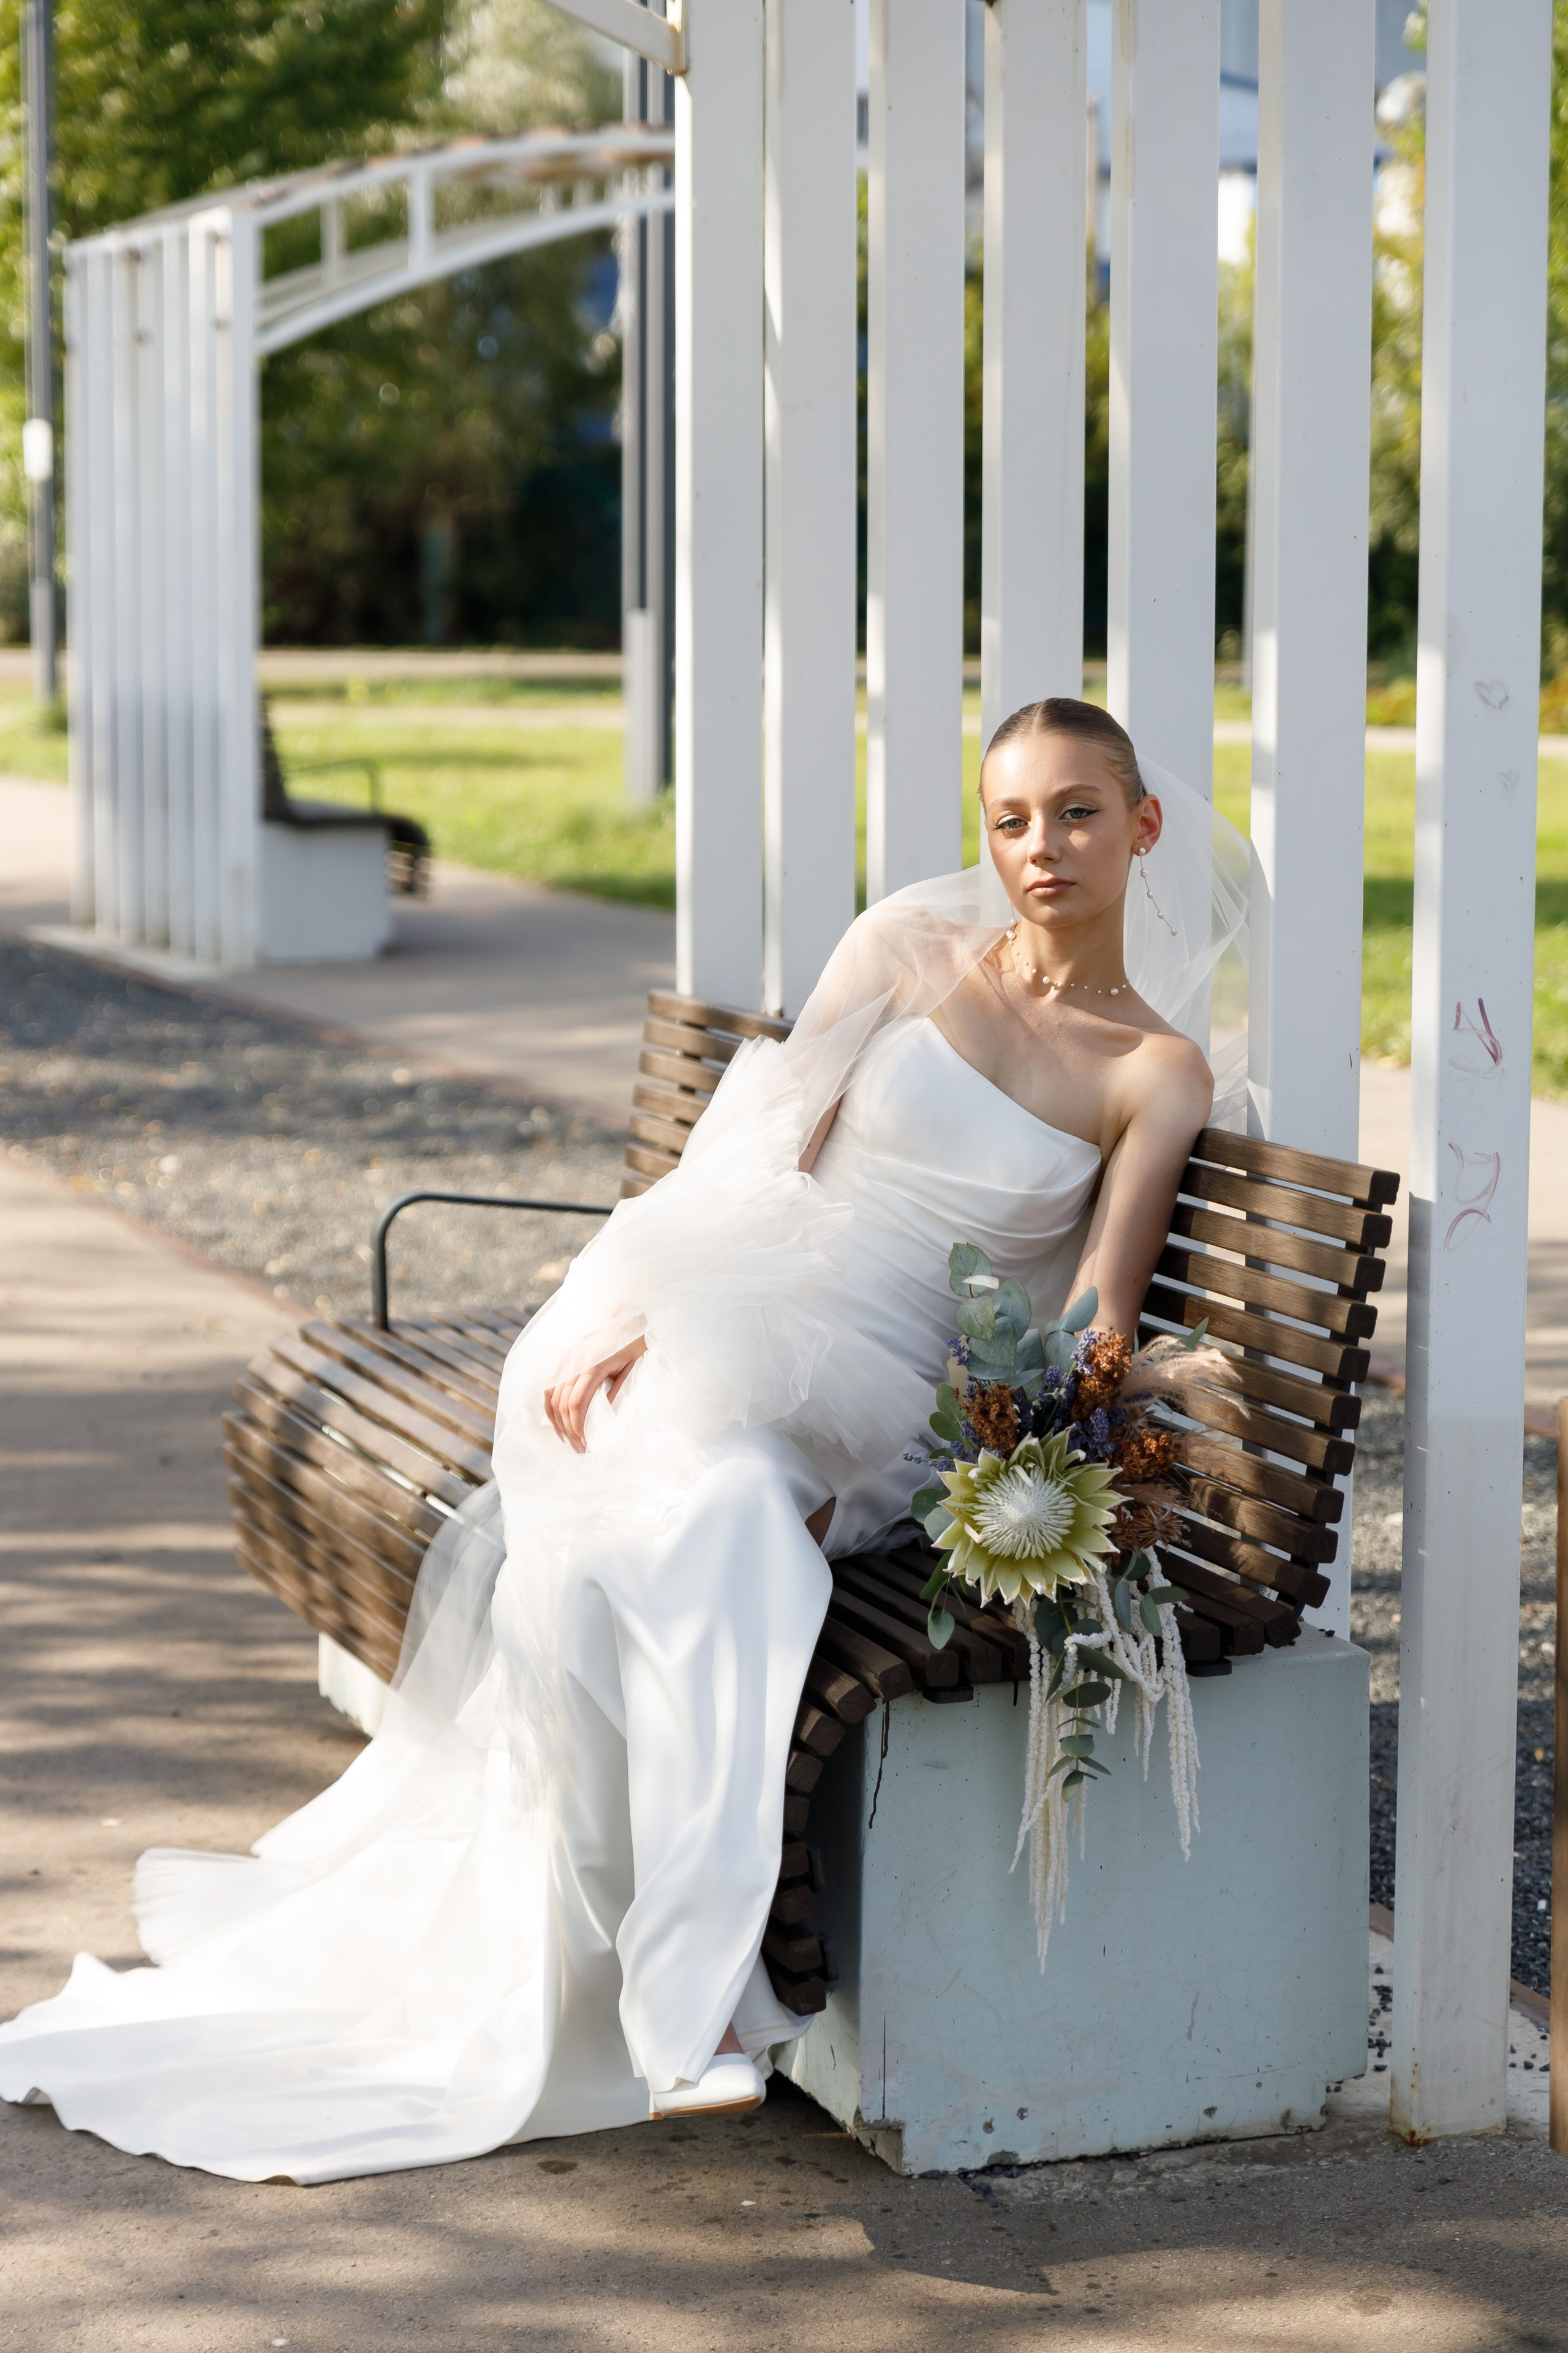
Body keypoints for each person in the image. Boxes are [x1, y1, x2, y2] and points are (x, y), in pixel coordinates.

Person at [0, 700, 1238, 2184]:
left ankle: (686, 1994)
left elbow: (1097, 1307)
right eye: (1010, 818)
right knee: (696, 1541)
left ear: (1141, 825)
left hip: (887, 1396)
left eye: (1077, 812)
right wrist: (646, 1301)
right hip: (737, 1317)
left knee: (682, 1548)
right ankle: (694, 2007)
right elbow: (754, 1144)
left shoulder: (1151, 1070)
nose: (1040, 848)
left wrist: (1058, 1429)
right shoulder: (911, 951)